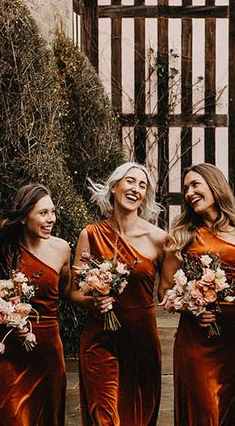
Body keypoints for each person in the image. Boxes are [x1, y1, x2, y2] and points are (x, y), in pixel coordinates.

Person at [159, 163, 235, 426]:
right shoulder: (183, 235)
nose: (189, 193)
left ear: (214, 185)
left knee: (232, 413)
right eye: (185, 188)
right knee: (201, 414)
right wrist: (192, 308)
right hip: (197, 339)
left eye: (195, 184)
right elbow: (165, 288)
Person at [71, 162, 168, 426]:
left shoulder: (159, 239)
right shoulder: (90, 234)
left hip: (142, 341)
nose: (136, 189)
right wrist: (94, 301)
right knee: (104, 417)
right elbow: (74, 293)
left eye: (142, 185)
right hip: (100, 338)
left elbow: (169, 291)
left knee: (137, 416)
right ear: (114, 186)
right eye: (130, 181)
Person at [0, 183, 71, 426]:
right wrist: (8, 317)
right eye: (43, 213)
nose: (51, 219)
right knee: (11, 416)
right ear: (23, 217)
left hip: (48, 352)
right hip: (9, 350)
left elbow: (66, 292)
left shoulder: (62, 249)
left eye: (52, 212)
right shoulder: (5, 252)